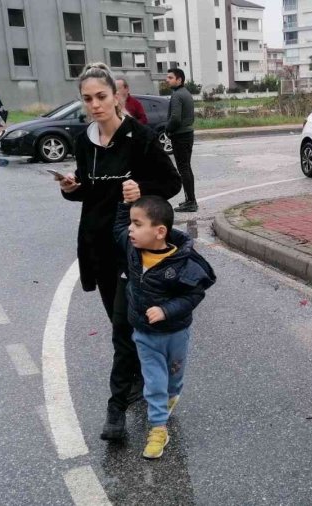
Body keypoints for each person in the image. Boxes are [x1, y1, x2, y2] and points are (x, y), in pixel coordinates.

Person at [56, 62, 182, 441]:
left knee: (123, 328)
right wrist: (71, 187)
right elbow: (89, 191)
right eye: (87, 99)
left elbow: (171, 183)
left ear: (116, 96)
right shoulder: (84, 141)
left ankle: (118, 407)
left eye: (101, 96)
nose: (95, 105)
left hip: (132, 248)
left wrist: (141, 189)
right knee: (119, 322)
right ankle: (143, 376)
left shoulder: (140, 137)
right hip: (96, 245)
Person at [113, 194, 215, 459]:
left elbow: (194, 295)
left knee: (173, 380)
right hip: (145, 334)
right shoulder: (133, 250)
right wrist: (126, 203)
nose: (130, 229)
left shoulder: (183, 262)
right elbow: (118, 228)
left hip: (176, 334)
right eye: (131, 223)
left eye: (137, 224)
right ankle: (158, 429)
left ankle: (171, 396)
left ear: (159, 232)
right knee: (154, 382)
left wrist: (166, 310)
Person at [166, 69, 197, 213]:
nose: (167, 80)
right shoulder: (186, 93)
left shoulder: (177, 95)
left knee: (184, 169)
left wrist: (168, 129)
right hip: (187, 134)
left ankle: (191, 202)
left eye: (170, 77)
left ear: (179, 80)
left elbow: (175, 118)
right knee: (186, 168)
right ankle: (190, 200)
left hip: (180, 136)